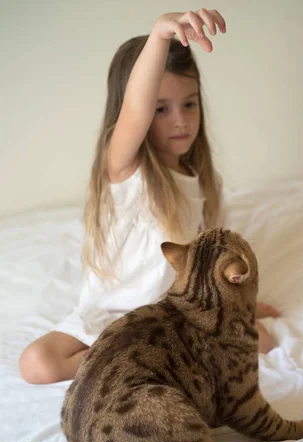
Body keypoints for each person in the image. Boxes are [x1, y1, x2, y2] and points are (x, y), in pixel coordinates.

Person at [19, 9, 279, 385]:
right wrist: (159, 37)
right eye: (161, 109)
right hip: (112, 317)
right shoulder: (125, 171)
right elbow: (135, 112)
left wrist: (239, 303)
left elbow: (209, 261)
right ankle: (128, 353)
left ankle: (150, 353)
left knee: (264, 342)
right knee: (36, 363)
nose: (180, 120)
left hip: (173, 319)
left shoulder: (203, 182)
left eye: (189, 104)